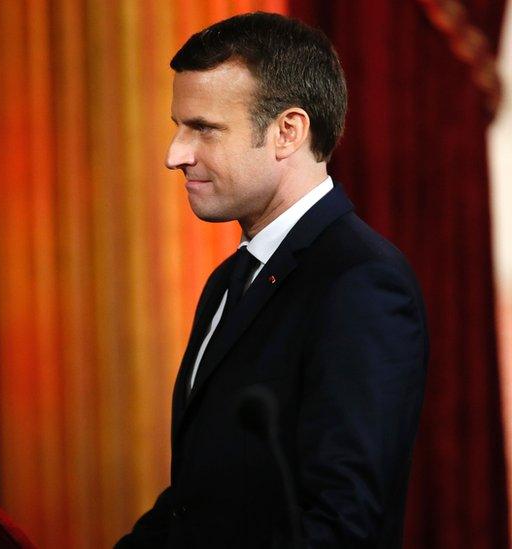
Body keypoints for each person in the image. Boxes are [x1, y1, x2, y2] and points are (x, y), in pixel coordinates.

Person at [116, 12, 428, 548]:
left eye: (204, 129)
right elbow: (199, 498)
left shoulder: (362, 283)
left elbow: (340, 525)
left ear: (288, 131)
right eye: (178, 125)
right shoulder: (228, 280)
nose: (175, 154)